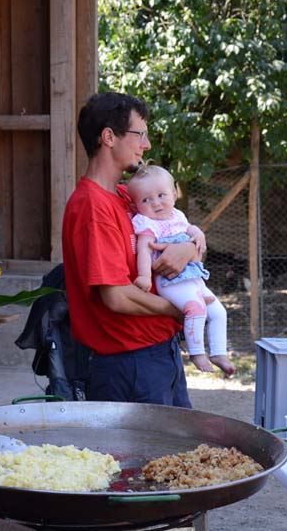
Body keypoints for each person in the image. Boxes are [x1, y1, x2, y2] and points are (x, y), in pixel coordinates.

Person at [62, 92, 199, 407]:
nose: (146, 145)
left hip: (158, 354)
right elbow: (117, 297)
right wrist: (181, 309)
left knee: (177, 440)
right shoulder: (92, 206)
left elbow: (175, 230)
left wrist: (189, 248)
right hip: (129, 364)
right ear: (109, 137)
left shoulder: (128, 196)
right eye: (140, 134)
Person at [128, 163, 236, 376]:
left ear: (174, 194)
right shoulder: (147, 223)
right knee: (196, 308)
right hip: (171, 281)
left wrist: (198, 233)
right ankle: (196, 353)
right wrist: (144, 276)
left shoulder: (177, 215)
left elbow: (189, 228)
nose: (156, 203)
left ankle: (218, 352)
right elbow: (144, 250)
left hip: (193, 277)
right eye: (146, 200)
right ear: (136, 205)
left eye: (161, 195)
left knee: (218, 312)